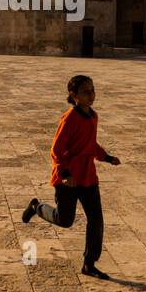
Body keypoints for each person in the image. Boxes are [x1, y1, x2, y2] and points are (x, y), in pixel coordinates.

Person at [22, 74, 120, 279]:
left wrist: (107, 157)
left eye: (93, 90)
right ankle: (37, 207)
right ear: (74, 96)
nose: (91, 95)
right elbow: (56, 149)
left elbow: (90, 144)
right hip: (69, 178)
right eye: (86, 92)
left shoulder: (93, 116)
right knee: (65, 220)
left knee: (96, 220)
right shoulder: (69, 118)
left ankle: (89, 263)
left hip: (88, 177)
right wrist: (65, 173)